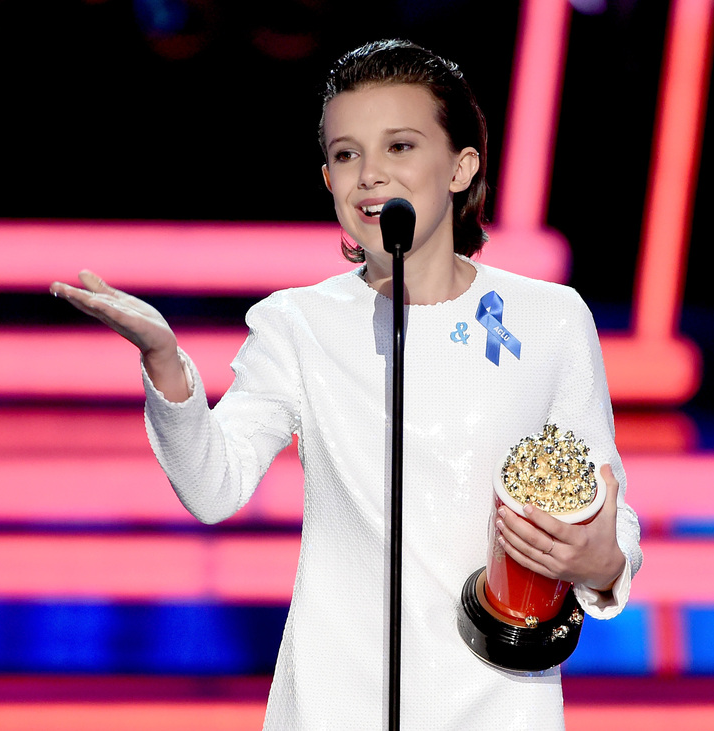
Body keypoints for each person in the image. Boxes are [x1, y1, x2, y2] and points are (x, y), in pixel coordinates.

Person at [51, 38, 641, 730]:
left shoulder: (550, 320)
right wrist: (164, 365)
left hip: (498, 700)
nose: (369, 175)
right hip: (336, 702)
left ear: (462, 166)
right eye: (346, 154)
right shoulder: (300, 324)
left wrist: (604, 563)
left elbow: (604, 505)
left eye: (399, 146)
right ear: (327, 179)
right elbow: (215, 486)